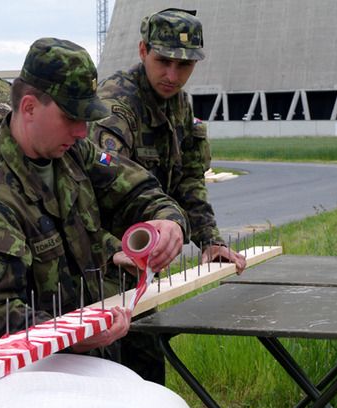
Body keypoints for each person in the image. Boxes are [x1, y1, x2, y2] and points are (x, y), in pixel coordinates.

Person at [0, 38, 190, 361]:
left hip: (90, 361)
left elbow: (135, 186)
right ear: (29, 108)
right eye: (71, 117)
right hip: (35, 381)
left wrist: (167, 220)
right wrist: (75, 334)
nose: (81, 131)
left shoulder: (72, 153)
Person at [90, 8, 246, 274]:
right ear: (143, 51)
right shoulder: (116, 105)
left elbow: (189, 179)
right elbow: (103, 185)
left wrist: (210, 241)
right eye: (163, 61)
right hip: (104, 257)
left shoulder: (179, 105)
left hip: (147, 252)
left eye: (184, 65)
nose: (172, 76)